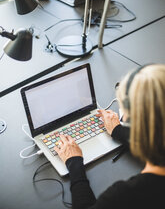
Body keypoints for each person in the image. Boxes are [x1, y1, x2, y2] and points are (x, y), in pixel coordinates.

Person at [55, 64, 165, 209]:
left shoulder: (125, 196)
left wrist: (74, 163)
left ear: (137, 127)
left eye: (125, 116)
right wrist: (118, 130)